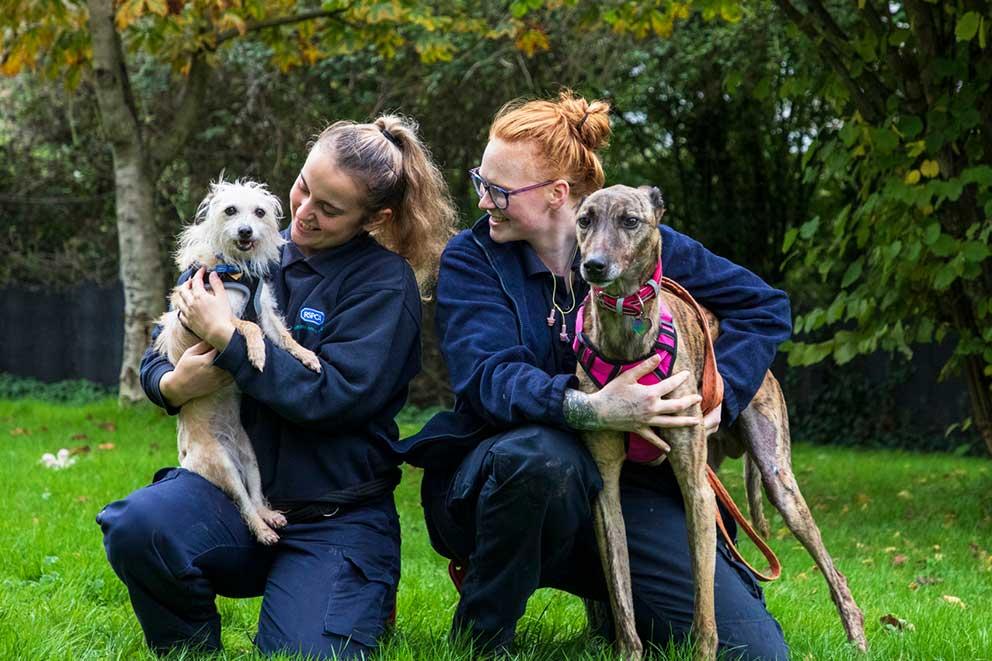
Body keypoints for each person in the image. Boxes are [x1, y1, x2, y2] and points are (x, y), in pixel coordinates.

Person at [401, 92, 792, 660]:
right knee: (540, 457)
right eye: (480, 181)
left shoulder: (647, 243)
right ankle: (482, 635)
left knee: (753, 652)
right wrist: (594, 408)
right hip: (511, 481)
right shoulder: (473, 258)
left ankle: (615, 605)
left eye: (499, 190)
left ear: (559, 194)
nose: (484, 200)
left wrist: (720, 395)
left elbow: (765, 308)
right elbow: (489, 378)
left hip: (633, 490)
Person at [96, 116, 456, 659]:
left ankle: (358, 593)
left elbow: (332, 396)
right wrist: (169, 384)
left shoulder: (383, 284)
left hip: (334, 516)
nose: (305, 212)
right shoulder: (252, 247)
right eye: (304, 187)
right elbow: (163, 338)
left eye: (330, 208)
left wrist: (231, 341)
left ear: (373, 218)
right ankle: (189, 649)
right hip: (235, 497)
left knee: (302, 653)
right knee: (139, 526)